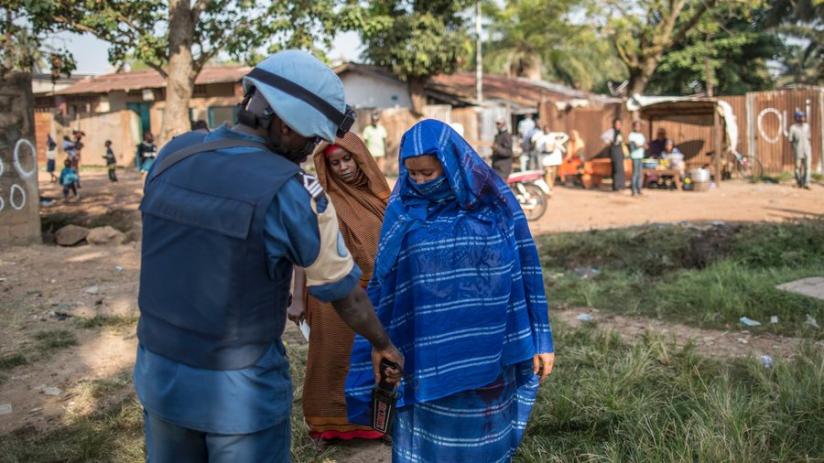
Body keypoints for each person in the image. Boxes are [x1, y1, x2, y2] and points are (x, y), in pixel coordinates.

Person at [134, 50, 404, 463]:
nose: (311, 148)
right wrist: (382, 343)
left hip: (157, 372)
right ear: (284, 123)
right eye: (312, 138)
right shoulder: (295, 193)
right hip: (237, 392)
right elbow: (344, 294)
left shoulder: (174, 155)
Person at [345, 119, 555, 463]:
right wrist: (377, 345)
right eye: (413, 175)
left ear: (453, 164)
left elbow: (528, 270)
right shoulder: (401, 214)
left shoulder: (497, 206)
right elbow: (384, 287)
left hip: (490, 355)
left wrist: (541, 338)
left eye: (429, 173)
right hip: (425, 358)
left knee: (483, 445)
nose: (421, 182)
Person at [287, 131, 391, 442]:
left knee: (377, 357)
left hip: (376, 293)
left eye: (348, 160)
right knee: (332, 357)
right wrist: (297, 297)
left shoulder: (381, 198)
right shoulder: (320, 199)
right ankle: (326, 424)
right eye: (335, 163)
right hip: (330, 294)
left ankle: (378, 423)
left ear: (361, 160)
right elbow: (302, 249)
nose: (343, 167)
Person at [535, 124, 569, 189]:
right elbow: (538, 147)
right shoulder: (540, 138)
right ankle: (549, 186)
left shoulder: (554, 136)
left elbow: (564, 137)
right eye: (545, 129)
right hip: (545, 158)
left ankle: (551, 184)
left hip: (554, 158)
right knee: (547, 173)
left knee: (553, 173)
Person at [788, 111, 811, 189]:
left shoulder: (807, 126)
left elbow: (809, 137)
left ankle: (806, 183)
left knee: (807, 167)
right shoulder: (793, 128)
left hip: (807, 150)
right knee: (797, 167)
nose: (802, 118)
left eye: (803, 117)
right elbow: (790, 140)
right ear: (797, 118)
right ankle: (799, 181)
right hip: (798, 150)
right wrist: (793, 150)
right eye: (800, 117)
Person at [607, 118, 626, 191]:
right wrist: (610, 141)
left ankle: (621, 185)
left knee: (621, 169)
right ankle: (616, 186)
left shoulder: (620, 132)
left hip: (620, 151)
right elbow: (604, 137)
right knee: (616, 169)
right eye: (616, 124)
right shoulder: (611, 131)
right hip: (614, 151)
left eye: (619, 124)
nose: (618, 125)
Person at [628, 121, 646, 196]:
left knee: (640, 174)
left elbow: (644, 144)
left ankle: (639, 189)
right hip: (635, 156)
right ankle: (633, 190)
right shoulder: (631, 135)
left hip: (640, 156)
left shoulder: (641, 135)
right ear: (633, 127)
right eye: (636, 126)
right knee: (635, 173)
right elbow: (634, 146)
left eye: (639, 126)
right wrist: (641, 146)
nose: (638, 127)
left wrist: (642, 145)